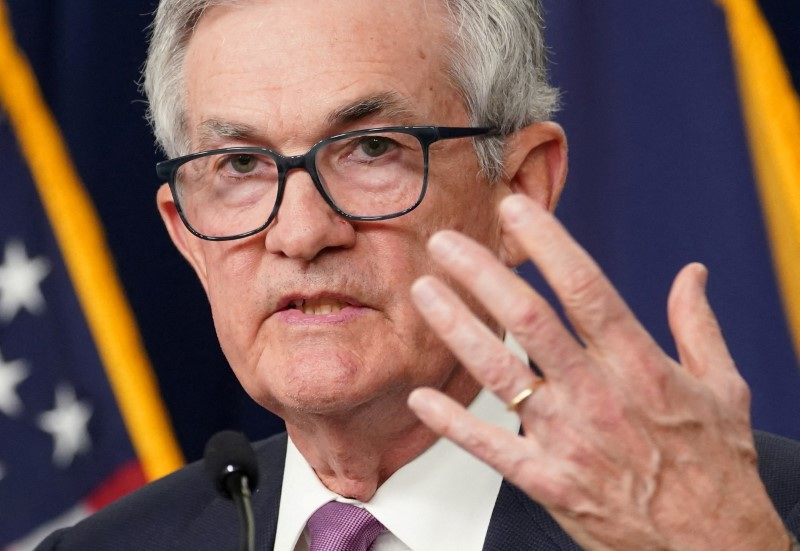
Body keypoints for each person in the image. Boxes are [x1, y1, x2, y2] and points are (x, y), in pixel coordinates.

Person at [36, 0, 800, 549]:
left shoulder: (755, 520)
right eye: (240, 164)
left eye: (372, 149)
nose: (300, 232)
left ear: (521, 188)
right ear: (185, 235)